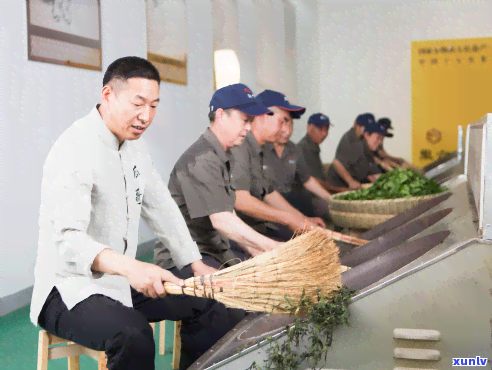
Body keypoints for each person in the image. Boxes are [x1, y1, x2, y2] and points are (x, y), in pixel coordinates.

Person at [30, 56, 236, 370]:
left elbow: (162, 208)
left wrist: (195, 264)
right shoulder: (74, 147)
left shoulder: (134, 149)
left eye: (153, 105)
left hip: (118, 281)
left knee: (211, 297)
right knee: (133, 334)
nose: (146, 116)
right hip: (66, 288)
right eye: (138, 103)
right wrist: (131, 268)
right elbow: (69, 241)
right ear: (107, 95)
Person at [231, 90, 325, 242]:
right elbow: (241, 200)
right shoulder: (241, 144)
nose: (285, 130)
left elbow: (269, 193)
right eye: (282, 122)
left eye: (287, 123)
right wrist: (288, 219)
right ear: (262, 116)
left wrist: (303, 219)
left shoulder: (257, 149)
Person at [263, 110, 333, 222]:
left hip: (291, 203)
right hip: (269, 210)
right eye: (282, 123)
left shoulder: (293, 149)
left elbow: (307, 179)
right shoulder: (260, 147)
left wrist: (332, 199)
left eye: (290, 124)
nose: (287, 131)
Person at [326, 114, 389, 188]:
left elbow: (372, 169)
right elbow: (336, 162)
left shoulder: (363, 140)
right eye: (364, 127)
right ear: (356, 125)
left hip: (354, 181)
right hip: (339, 185)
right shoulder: (351, 141)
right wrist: (350, 181)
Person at [297, 113, 350, 194]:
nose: (324, 133)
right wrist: (338, 190)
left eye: (326, 129)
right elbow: (313, 180)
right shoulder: (304, 148)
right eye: (320, 129)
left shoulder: (314, 146)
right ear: (309, 128)